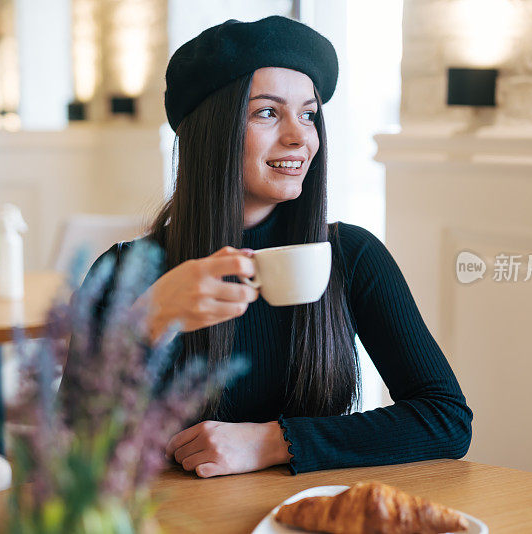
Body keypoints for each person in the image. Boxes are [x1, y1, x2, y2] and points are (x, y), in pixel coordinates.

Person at [62, 15, 472, 478]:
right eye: (268, 112)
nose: (300, 137)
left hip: (307, 518)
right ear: (212, 131)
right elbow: (69, 449)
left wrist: (273, 442)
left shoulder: (353, 257)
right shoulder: (123, 272)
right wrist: (148, 321)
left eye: (309, 114)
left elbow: (446, 419)